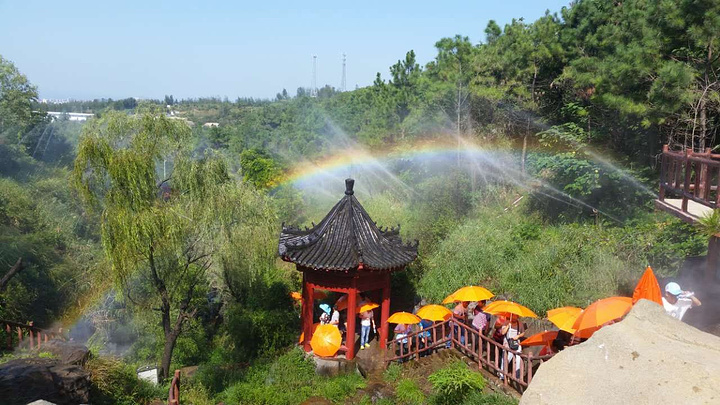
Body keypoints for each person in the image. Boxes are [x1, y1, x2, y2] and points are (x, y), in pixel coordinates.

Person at [499, 316, 526, 380]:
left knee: (518, 360)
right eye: (513, 316)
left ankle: (517, 376)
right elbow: (502, 332)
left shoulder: (520, 324)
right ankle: (502, 375)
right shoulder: (506, 323)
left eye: (516, 317)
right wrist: (508, 326)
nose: (514, 318)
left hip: (516, 344)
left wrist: (518, 336)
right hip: (507, 344)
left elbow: (523, 333)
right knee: (506, 359)